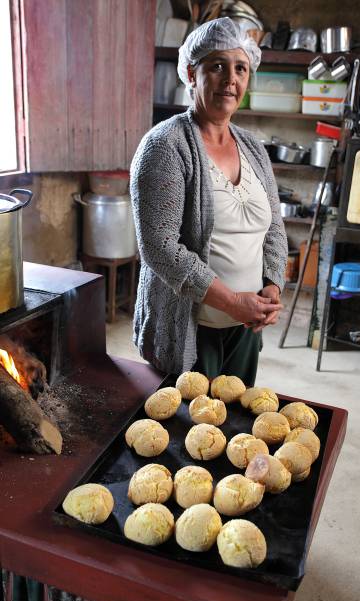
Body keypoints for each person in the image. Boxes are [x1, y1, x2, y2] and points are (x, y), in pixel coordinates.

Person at [130, 17, 288, 387]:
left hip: (246, 327)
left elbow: (275, 228)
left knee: (234, 429)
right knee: (187, 436)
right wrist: (232, 300)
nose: (230, 79)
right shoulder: (165, 146)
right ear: (191, 73)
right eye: (217, 66)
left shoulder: (253, 148)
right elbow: (159, 247)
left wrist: (272, 287)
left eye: (240, 68)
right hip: (189, 331)